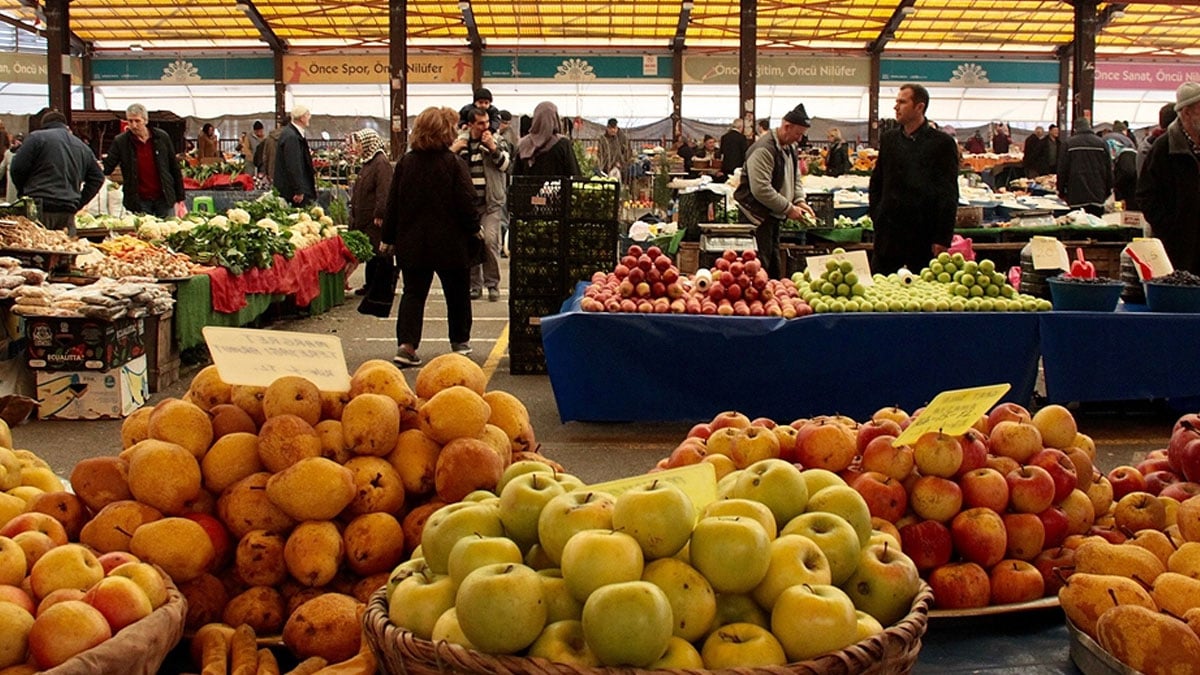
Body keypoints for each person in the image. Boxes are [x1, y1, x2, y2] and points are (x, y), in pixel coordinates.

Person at [380, 106, 480, 367]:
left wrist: (388, 237)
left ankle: (406, 347)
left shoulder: (406, 163)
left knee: (413, 294)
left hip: (412, 243)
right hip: (451, 244)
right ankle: (460, 344)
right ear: (445, 131)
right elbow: (467, 203)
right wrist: (474, 229)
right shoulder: (454, 164)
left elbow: (393, 204)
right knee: (457, 294)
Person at [868, 84, 960, 275]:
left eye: (902, 102)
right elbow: (877, 181)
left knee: (922, 295)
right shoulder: (889, 139)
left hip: (923, 235)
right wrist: (878, 216)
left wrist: (943, 238)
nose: (896, 107)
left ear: (919, 107)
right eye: (896, 102)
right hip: (888, 235)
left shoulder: (942, 144)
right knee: (881, 288)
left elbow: (949, 193)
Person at [733, 105, 817, 279]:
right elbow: (761, 189)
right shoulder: (764, 149)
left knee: (772, 267)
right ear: (786, 127)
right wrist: (788, 208)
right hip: (757, 218)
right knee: (758, 270)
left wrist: (799, 200)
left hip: (773, 216)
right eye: (798, 134)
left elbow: (795, 177)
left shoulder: (790, 147)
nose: (799, 139)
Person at [1137, 82, 1200, 275]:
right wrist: (1169, 227)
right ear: (1187, 112)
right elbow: (1146, 195)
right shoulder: (1164, 148)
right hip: (1178, 247)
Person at [9, 111, 103, 235]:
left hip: (40, 207)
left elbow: (17, 168)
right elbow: (97, 178)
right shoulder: (82, 147)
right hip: (67, 212)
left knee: (39, 249)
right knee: (65, 249)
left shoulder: (36, 138)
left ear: (44, 125)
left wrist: (23, 192)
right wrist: (78, 203)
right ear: (65, 126)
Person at [454, 106, 510, 303]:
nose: (485, 127)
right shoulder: (461, 143)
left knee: (489, 241)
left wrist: (493, 149)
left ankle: (492, 284)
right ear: (470, 125)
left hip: (491, 203)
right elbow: (448, 167)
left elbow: (505, 166)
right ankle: (474, 285)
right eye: (480, 123)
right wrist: (455, 150)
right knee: (471, 243)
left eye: (487, 122)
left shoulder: (497, 140)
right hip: (468, 205)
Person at [102, 103, 186, 218]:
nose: (134, 125)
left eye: (137, 121)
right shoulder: (121, 142)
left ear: (145, 120)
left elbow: (173, 167)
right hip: (139, 200)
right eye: (130, 121)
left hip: (164, 197)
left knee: (168, 230)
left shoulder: (162, 137)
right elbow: (108, 166)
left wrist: (180, 196)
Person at [349, 128, 393, 296]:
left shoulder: (380, 163)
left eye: (359, 143)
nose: (357, 146)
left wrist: (380, 213)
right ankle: (371, 285)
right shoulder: (369, 162)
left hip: (374, 218)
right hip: (366, 217)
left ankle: (383, 287)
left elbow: (384, 190)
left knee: (380, 253)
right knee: (372, 253)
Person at [1056, 117, 1112, 217]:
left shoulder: (1068, 143)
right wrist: (1107, 190)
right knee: (1096, 225)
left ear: (1075, 129)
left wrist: (1061, 191)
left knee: (1077, 224)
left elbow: (1062, 170)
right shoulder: (1102, 143)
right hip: (1097, 193)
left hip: (1076, 193)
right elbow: (1109, 169)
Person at [513, 101, 580, 177]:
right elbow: (574, 175)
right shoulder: (563, 144)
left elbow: (516, 177)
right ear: (555, 118)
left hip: (528, 188)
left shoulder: (524, 144)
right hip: (557, 188)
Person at [274, 104, 316, 206]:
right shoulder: (292, 137)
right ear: (302, 118)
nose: (309, 117)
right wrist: (299, 190)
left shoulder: (291, 134)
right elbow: (293, 164)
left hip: (291, 189)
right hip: (292, 193)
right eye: (307, 115)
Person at [497, 110, 518, 258]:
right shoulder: (512, 136)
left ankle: (506, 247)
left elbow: (507, 163)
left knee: (504, 215)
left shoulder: (506, 138)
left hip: (505, 179)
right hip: (508, 179)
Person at [259, 116, 287, 181]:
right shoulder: (292, 136)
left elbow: (265, 156)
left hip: (272, 171)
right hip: (287, 174)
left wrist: (267, 171)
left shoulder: (270, 137)